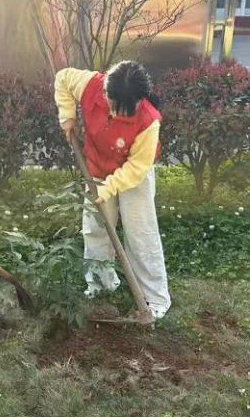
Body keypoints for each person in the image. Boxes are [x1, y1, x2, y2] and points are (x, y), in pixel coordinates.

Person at [54, 61, 171, 320]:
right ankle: (100, 284)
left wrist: (107, 190)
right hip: (96, 166)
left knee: (140, 232)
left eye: (124, 110)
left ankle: (154, 298)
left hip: (133, 176)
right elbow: (62, 78)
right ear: (106, 92)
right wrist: (68, 115)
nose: (116, 114)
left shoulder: (149, 121)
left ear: (139, 101)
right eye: (113, 104)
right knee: (95, 228)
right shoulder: (90, 85)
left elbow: (136, 168)